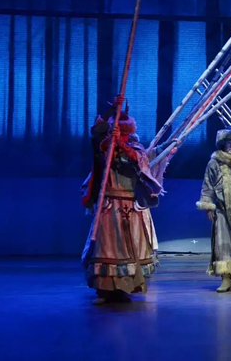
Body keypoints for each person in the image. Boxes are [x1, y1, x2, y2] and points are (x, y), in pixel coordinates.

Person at [81, 95, 163, 305]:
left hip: (129, 206)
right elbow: (95, 135)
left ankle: (123, 288)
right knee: (106, 247)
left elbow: (138, 163)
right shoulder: (105, 150)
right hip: (109, 205)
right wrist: (113, 110)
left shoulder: (135, 150)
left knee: (126, 250)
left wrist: (121, 144)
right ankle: (104, 289)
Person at [196, 128, 231, 292]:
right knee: (223, 244)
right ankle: (225, 279)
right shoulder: (214, 163)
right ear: (223, 144)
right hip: (222, 211)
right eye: (228, 143)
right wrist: (207, 206)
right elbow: (208, 185)